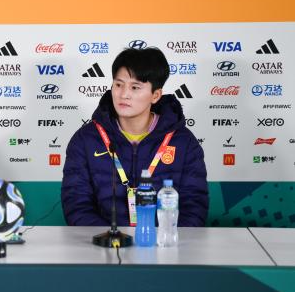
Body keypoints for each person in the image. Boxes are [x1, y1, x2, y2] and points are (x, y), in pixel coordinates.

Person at [61, 46, 208, 226]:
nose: (124, 94)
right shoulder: (86, 139)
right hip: (105, 241)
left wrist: (163, 238)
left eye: (135, 87)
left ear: (155, 95)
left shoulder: (183, 142)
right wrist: (113, 238)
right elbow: (77, 206)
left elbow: (194, 207)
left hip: (164, 241)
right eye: (118, 85)